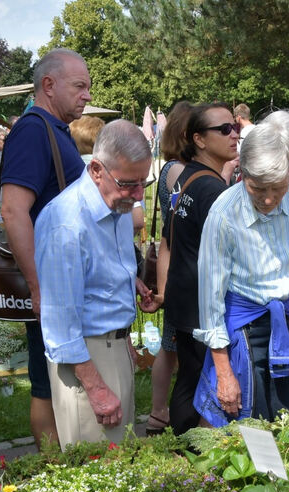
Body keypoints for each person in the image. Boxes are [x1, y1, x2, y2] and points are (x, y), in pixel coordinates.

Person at [193, 122, 289, 425]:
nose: (268, 199)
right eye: (257, 188)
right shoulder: (223, 214)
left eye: (277, 187)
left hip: (285, 327)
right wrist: (224, 373)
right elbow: (210, 304)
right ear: (242, 173)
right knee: (245, 427)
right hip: (242, 333)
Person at [35, 120, 153, 447]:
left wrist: (128, 285)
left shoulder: (116, 203)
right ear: (97, 170)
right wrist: (96, 387)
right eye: (129, 183)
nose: (138, 195)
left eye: (144, 182)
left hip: (115, 347)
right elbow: (59, 323)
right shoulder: (66, 222)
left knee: (122, 460)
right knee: (96, 465)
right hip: (85, 358)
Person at [0, 48, 92, 449]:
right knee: (45, 383)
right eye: (80, 86)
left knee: (57, 378)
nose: (87, 95)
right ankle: (53, 470)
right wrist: (38, 287)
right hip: (51, 285)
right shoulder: (33, 131)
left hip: (62, 281)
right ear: (48, 85)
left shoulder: (54, 129)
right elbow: (13, 210)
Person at [158, 103, 241, 433]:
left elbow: (169, 238)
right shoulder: (211, 189)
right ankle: (191, 445)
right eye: (224, 129)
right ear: (199, 139)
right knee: (199, 381)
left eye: (235, 127)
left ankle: (181, 445)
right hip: (200, 300)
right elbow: (235, 250)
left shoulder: (187, 176)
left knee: (189, 377)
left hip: (182, 293)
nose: (234, 134)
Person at [142, 101, 192, 436]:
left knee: (170, 347)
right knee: (171, 347)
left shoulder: (172, 167)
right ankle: (160, 411)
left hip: (174, 266)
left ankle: (159, 412)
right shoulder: (176, 169)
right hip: (178, 268)